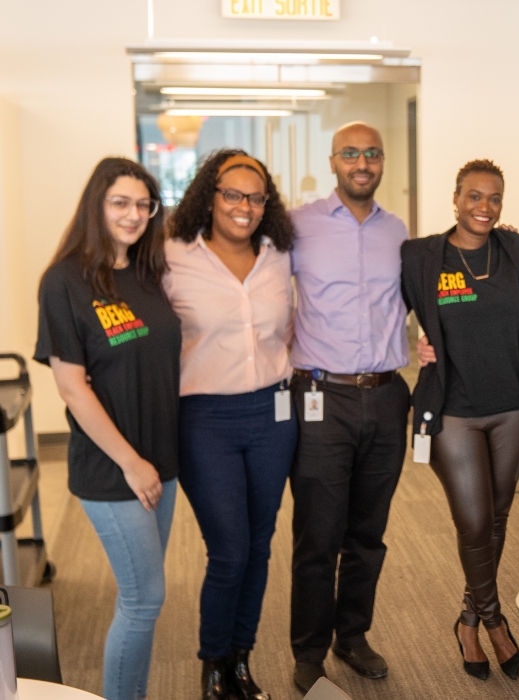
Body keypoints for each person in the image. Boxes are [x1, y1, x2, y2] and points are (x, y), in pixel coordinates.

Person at [35, 158, 180, 700]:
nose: (134, 214)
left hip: (160, 460)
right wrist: (130, 461)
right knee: (144, 599)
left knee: (141, 596)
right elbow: (73, 387)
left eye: (144, 205)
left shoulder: (148, 271)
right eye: (121, 202)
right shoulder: (66, 280)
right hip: (113, 466)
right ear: (97, 205)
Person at [163, 150, 296, 700]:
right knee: (230, 549)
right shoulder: (172, 255)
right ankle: (213, 662)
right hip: (205, 420)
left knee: (262, 545)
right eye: (232, 194)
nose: (244, 206)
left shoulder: (280, 255)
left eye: (256, 197)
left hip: (273, 414)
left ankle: (242, 658)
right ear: (209, 196)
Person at [402, 159, 519, 682]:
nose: (484, 206)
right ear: (455, 199)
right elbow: (384, 308)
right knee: (475, 521)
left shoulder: (515, 249)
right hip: (453, 410)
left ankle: (466, 618)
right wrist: (408, 346)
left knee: (499, 517)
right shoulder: (422, 256)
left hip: (512, 406)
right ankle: (494, 620)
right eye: (474, 196)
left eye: (494, 197)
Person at [288, 122, 411, 692]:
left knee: (368, 531)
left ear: (382, 162)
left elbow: (413, 302)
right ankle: (309, 649)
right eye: (351, 154)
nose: (362, 163)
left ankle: (352, 635)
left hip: (386, 396)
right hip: (321, 396)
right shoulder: (299, 226)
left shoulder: (399, 232)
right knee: (318, 531)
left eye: (372, 154)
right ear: (333, 160)